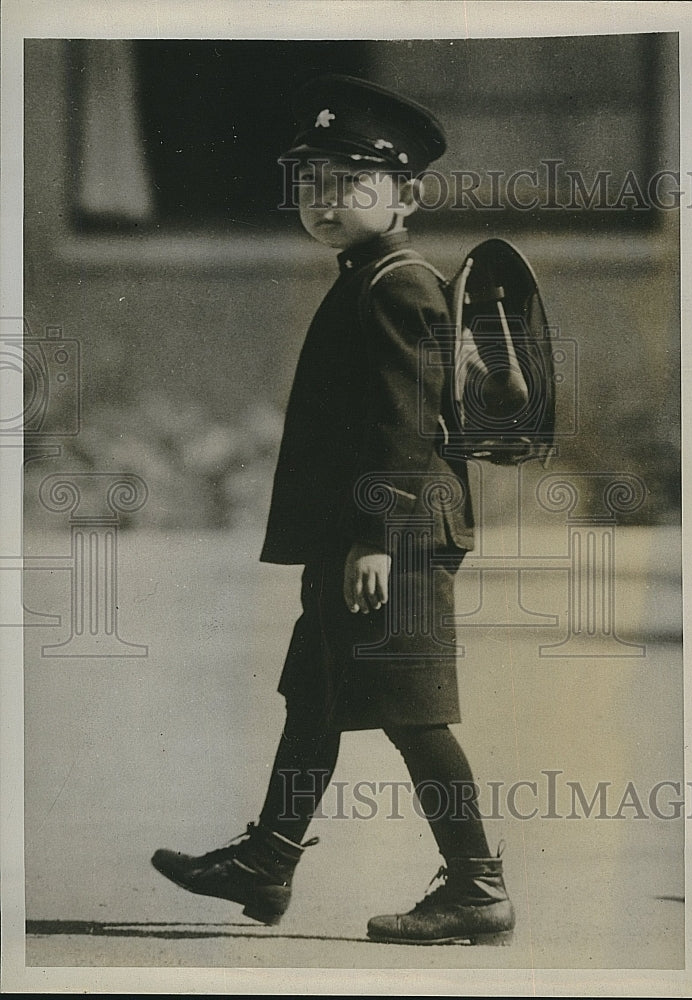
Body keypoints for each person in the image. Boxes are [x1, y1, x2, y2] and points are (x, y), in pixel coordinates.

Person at [152, 74, 515, 945]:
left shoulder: (398, 285)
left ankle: (476, 887)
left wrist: (373, 537)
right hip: (363, 538)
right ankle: (266, 864)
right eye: (308, 184)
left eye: (347, 183)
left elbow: (402, 421)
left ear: (405, 194)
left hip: (395, 538)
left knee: (412, 710)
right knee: (313, 696)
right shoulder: (369, 276)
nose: (322, 202)